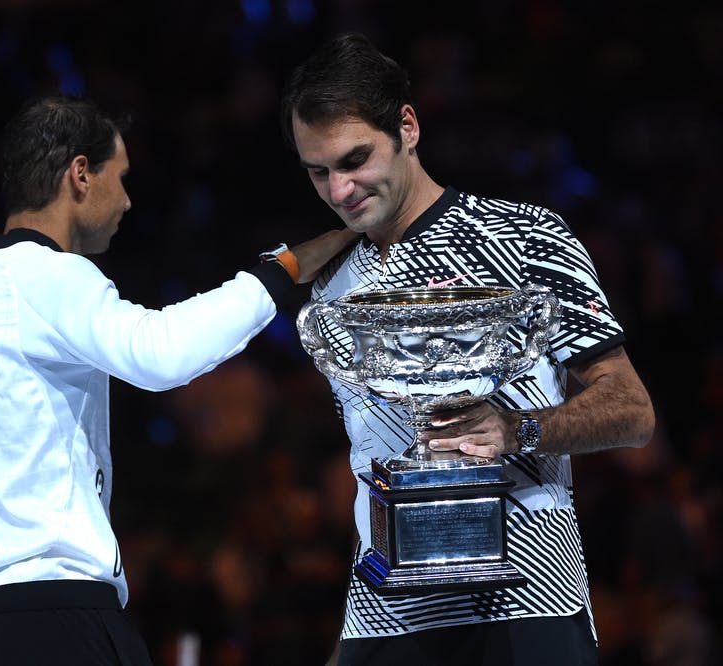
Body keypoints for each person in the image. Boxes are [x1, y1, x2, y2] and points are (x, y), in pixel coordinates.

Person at [0, 93, 356, 666]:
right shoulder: (48, 275)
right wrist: (281, 272)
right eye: (121, 177)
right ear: (80, 174)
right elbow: (160, 351)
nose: (128, 201)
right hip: (53, 621)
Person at [280, 32, 655, 666]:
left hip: (530, 596)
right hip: (384, 609)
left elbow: (633, 410)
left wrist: (517, 430)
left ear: (408, 127)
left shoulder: (526, 239)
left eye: (355, 161)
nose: (339, 191)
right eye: (319, 172)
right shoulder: (328, 282)